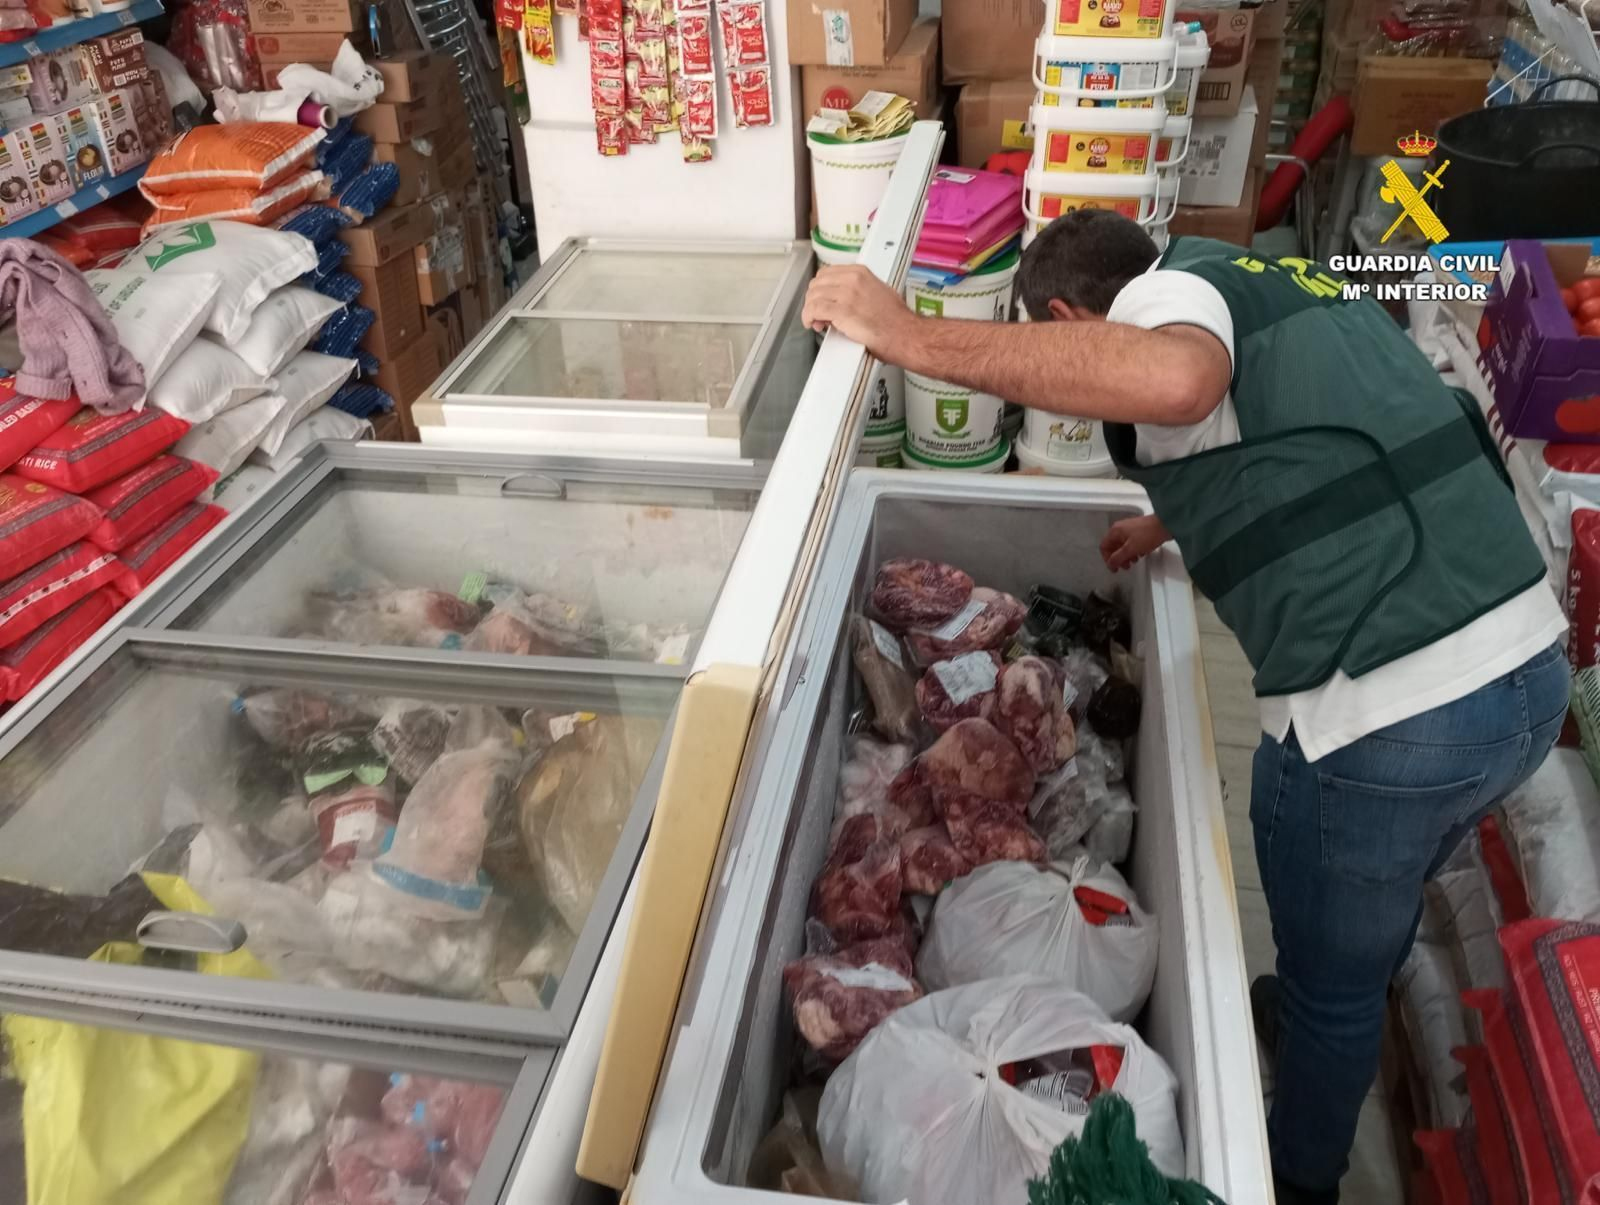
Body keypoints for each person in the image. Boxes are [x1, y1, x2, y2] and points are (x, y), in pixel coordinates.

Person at [801, 209, 1569, 1205]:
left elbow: (1173, 380)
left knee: (1331, 980)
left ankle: (1298, 1176)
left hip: (1394, 713)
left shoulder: (1164, 302)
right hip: (1522, 674)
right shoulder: (1267, 281)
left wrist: (908, 334)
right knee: (1369, 913)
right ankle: (1323, 1005)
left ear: (1072, 317)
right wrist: (1175, 515)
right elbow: (1320, 435)